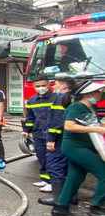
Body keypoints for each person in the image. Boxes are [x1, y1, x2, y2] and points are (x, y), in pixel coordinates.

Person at [51, 80, 105, 216]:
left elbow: (95, 123)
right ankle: (97, 207)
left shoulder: (91, 106)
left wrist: (100, 126)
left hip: (84, 146)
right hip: (75, 147)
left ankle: (60, 208)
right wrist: (97, 129)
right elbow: (69, 126)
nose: (100, 93)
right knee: (104, 173)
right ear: (88, 93)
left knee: (75, 177)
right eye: (98, 91)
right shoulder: (76, 107)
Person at [39, 73, 75, 205]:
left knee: (55, 166)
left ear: (64, 86)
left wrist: (51, 139)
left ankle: (58, 199)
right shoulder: (73, 97)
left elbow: (57, 120)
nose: (54, 86)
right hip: (68, 138)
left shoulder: (61, 98)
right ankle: (70, 197)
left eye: (56, 83)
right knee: (67, 167)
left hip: (58, 139)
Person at [22, 74, 54, 192]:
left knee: (52, 159)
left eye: (43, 85)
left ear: (49, 84)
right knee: (41, 156)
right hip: (39, 133)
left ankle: (52, 182)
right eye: (38, 86)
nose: (41, 88)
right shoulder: (32, 100)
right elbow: (30, 118)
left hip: (52, 134)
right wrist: (26, 130)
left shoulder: (55, 99)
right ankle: (45, 180)